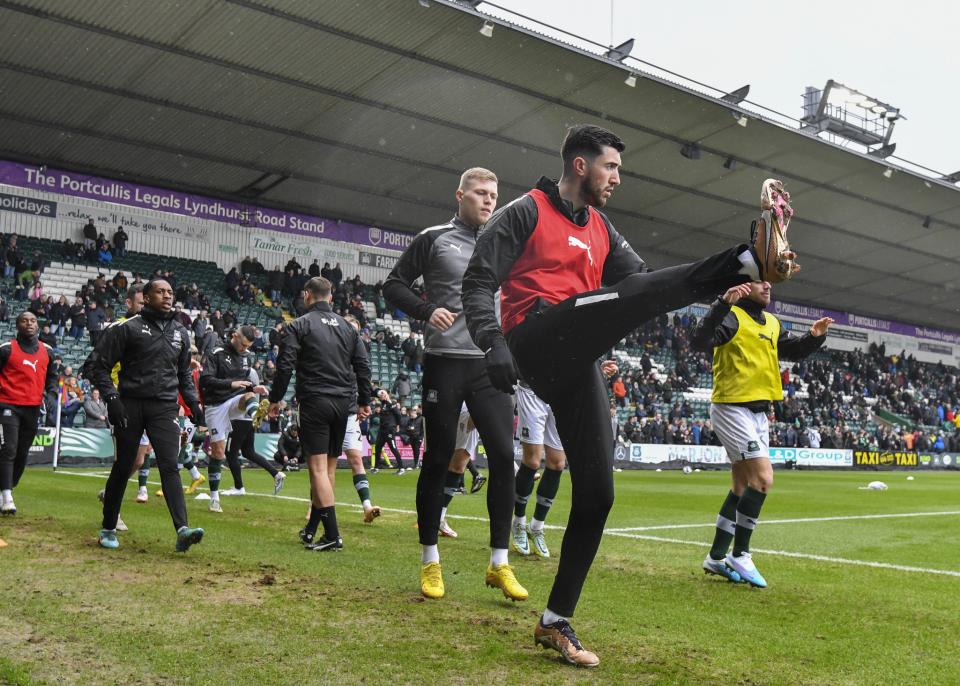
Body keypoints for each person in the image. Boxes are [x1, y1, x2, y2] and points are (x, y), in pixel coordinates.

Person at [462, 124, 785, 666]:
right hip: (534, 335)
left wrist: (720, 294)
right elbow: (477, 280)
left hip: (576, 354)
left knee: (598, 494)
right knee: (614, 300)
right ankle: (747, 255)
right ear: (581, 165)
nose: (617, 178)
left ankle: (555, 621)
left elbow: (645, 288)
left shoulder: (603, 228)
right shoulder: (524, 210)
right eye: (611, 167)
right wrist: (490, 341)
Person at [384, 167, 526, 602]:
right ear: (460, 195)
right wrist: (426, 311)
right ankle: (430, 559)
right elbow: (393, 285)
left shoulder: (504, 244)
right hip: (445, 363)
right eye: (480, 193)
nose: (488, 201)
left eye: (494, 195)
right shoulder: (433, 238)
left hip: (489, 365)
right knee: (438, 459)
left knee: (505, 458)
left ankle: (499, 564)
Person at [690, 280, 832, 587]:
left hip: (758, 411)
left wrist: (813, 337)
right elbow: (699, 341)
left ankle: (715, 557)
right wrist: (722, 303)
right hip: (732, 406)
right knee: (763, 480)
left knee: (742, 485)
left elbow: (791, 351)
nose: (768, 286)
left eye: (769, 282)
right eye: (760, 280)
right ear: (743, 286)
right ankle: (740, 554)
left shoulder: (772, 322)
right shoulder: (732, 316)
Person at [83, 279, 206, 552]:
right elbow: (96, 366)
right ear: (146, 298)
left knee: (170, 464)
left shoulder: (181, 333)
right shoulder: (127, 328)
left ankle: (182, 530)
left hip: (164, 407)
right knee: (124, 465)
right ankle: (108, 528)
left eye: (170, 292)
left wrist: (194, 403)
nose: (167, 296)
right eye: (160, 292)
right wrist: (112, 399)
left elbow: (184, 373)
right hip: (130, 404)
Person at [268, 276, 372, 551]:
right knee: (326, 469)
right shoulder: (348, 328)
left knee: (316, 469)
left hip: (314, 401)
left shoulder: (297, 325)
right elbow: (363, 365)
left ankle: (333, 535)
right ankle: (312, 529)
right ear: (331, 295)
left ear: (307, 295)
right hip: (343, 405)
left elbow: (285, 366)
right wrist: (364, 400)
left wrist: (275, 399)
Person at [511, 359, 617, 559]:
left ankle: (537, 527)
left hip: (561, 393)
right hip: (532, 388)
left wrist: (596, 367)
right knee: (532, 461)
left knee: (557, 463)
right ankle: (518, 522)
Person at [199, 325, 274, 513]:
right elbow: (205, 380)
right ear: (234, 337)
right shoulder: (215, 352)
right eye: (243, 345)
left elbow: (244, 386)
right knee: (218, 453)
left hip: (234, 400)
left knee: (249, 397)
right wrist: (231, 384)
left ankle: (255, 414)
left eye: (248, 346)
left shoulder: (246, 357)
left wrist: (254, 389)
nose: (245, 349)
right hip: (215, 405)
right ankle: (214, 498)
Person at [0, 312, 57, 515]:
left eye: (33, 320)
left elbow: (52, 377)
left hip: (33, 408)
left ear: (38, 325)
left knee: (22, 453)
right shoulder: (6, 350)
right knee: (10, 449)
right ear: (17, 325)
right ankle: (7, 495)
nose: (29, 324)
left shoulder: (47, 351)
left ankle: (7, 488)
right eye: (24, 320)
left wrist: (50, 394)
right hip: (8, 406)